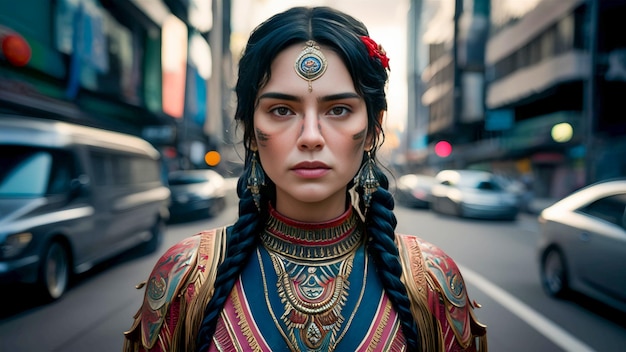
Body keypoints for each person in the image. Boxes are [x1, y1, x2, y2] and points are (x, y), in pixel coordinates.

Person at [123, 6, 487, 352]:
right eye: (281, 110)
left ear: (374, 129)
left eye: (339, 109)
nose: (310, 136)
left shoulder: (433, 281)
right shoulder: (185, 277)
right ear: (251, 131)